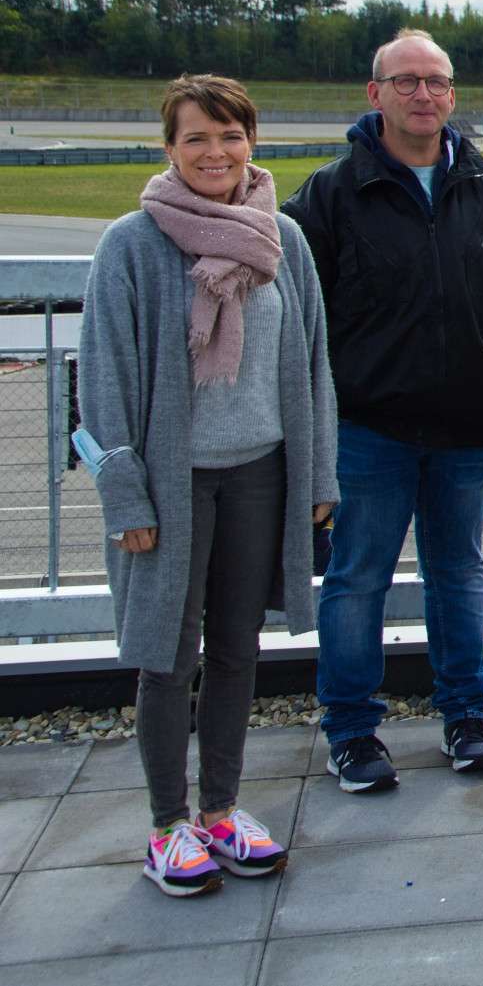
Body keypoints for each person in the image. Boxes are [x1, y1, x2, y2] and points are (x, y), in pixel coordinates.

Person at [78, 75, 337, 896]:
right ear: (169, 148)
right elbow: (103, 377)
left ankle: (221, 809)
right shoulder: (132, 243)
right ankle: (168, 825)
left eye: (230, 135)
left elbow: (312, 359)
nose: (215, 152)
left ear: (251, 142)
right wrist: (125, 493)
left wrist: (318, 473)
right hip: (172, 483)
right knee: (166, 653)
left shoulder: (282, 238)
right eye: (196, 137)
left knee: (235, 647)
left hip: (261, 472)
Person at [284, 28, 483, 794]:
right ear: (376, 94)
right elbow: (297, 313)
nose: (422, 93)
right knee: (357, 578)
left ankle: (465, 715)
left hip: (469, 428)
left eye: (435, 81)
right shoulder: (331, 194)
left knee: (458, 575)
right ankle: (351, 729)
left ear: (452, 95)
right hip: (370, 430)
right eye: (406, 81)